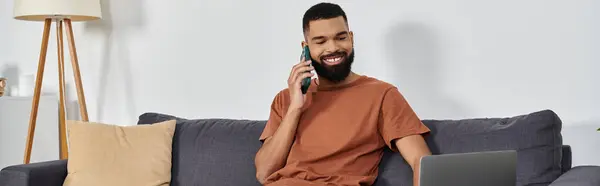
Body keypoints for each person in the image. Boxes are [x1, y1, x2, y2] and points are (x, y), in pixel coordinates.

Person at [254, 2, 432, 186]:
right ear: (305, 48)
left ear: (351, 38)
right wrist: (295, 109)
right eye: (320, 41)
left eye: (340, 38)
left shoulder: (382, 95)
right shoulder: (286, 99)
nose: (332, 48)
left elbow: (421, 161)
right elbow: (264, 172)